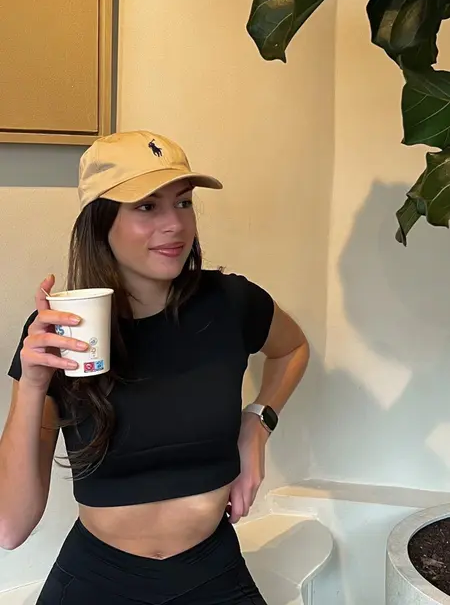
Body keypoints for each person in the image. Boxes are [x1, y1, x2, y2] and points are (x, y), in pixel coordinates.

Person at [0, 130, 309, 604]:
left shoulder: (231, 302)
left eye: (183, 203)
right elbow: (10, 526)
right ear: (100, 220)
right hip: (96, 578)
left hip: (212, 571)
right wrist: (33, 384)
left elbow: (292, 349)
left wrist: (257, 424)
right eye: (147, 206)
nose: (175, 224)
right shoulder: (61, 330)